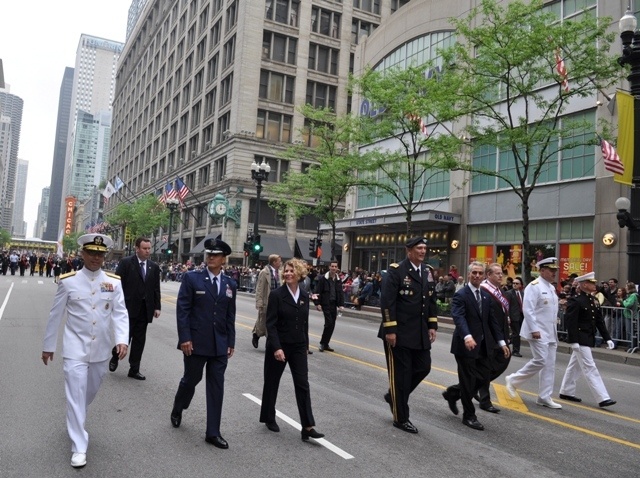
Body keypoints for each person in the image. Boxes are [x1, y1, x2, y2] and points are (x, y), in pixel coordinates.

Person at [41, 233, 129, 468]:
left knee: (87, 394)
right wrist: (49, 346)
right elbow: (55, 315)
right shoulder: (68, 281)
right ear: (82, 253)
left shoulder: (114, 282)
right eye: (91, 253)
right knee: (76, 395)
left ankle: (76, 415)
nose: (96, 258)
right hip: (74, 350)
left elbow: (120, 313)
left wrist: (122, 340)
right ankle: (79, 446)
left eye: (100, 254)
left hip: (100, 351)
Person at [170, 236, 236, 450]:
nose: (210, 257)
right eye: (209, 254)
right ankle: (179, 406)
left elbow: (229, 316)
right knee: (191, 379)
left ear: (224, 259)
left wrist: (231, 341)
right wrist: (185, 338)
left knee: (217, 387)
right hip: (196, 342)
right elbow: (183, 311)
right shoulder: (192, 278)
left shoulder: (230, 284)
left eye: (215, 255)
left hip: (219, 345)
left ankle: (213, 432)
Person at [259, 258, 325, 441]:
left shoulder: (304, 295)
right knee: (272, 382)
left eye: (291, 271)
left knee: (302, 384)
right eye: (285, 271)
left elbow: (304, 323)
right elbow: (270, 324)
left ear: (299, 274)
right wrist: (277, 348)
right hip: (279, 345)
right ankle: (268, 417)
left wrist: (305, 345)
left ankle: (308, 426)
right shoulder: (277, 295)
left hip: (297, 346)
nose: (287, 273)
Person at [379, 236, 438, 434]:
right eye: (419, 248)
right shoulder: (397, 271)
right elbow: (387, 302)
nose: (422, 251)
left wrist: (432, 325)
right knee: (401, 377)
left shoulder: (427, 272)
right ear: (409, 250)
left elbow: (431, 301)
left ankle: (394, 395)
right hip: (399, 333)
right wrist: (390, 330)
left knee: (423, 367)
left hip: (419, 332)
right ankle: (401, 418)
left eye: (424, 248)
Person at [442, 262, 509, 431]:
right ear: (469, 274)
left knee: (484, 376)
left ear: (484, 275)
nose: (477, 276)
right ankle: (469, 416)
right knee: (468, 380)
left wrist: (502, 342)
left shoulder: (485, 296)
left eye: (480, 273)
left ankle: (453, 393)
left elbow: (492, 321)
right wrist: (467, 336)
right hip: (465, 346)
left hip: (483, 346)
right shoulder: (461, 295)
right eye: (474, 273)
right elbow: (459, 317)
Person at [505, 257, 562, 409]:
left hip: (550, 332)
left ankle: (544, 396)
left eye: (555, 270)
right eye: (551, 270)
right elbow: (528, 309)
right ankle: (513, 380)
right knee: (541, 360)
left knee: (549, 365)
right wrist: (534, 329)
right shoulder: (534, 286)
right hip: (537, 331)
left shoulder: (550, 287)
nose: (554, 273)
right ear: (542, 271)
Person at [558, 272, 616, 408]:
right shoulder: (576, 300)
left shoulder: (593, 300)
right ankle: (603, 397)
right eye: (592, 283)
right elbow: (570, 322)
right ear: (585, 285)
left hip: (588, 338)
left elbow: (600, 322)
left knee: (574, 366)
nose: (595, 285)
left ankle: (566, 391)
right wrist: (573, 341)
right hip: (580, 338)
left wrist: (607, 338)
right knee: (590, 367)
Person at [110, 237, 161, 380]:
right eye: (144, 248)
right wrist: (116, 304)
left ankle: (134, 368)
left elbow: (156, 288)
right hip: (128, 308)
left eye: (149, 248)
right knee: (125, 337)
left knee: (139, 340)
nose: (147, 251)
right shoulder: (126, 263)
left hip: (145, 310)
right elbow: (117, 284)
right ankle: (115, 356)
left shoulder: (153, 267)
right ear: (137, 248)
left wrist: (157, 306)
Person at [252, 254, 282, 349]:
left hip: (277, 302)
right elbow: (260, 288)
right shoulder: (264, 272)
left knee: (273, 323)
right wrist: (259, 302)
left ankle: (270, 344)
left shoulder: (280, 273)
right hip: (267, 301)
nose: (280, 263)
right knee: (263, 322)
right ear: (274, 262)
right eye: (279, 261)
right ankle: (256, 335)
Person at [315, 260, 344, 352]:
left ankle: (326, 343)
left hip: (334, 304)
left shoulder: (338, 280)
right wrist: (317, 304)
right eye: (332, 266)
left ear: (337, 268)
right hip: (325, 304)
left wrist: (341, 305)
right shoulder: (323, 279)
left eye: (335, 266)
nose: (334, 268)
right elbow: (317, 292)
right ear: (329, 267)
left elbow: (340, 293)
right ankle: (322, 343)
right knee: (328, 323)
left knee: (332, 325)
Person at [505, 276, 525, 357]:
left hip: (521, 316)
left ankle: (509, 340)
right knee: (516, 334)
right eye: (513, 283)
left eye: (517, 283)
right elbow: (506, 306)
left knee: (517, 333)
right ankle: (515, 351)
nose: (515, 285)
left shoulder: (522, 293)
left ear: (520, 285)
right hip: (513, 316)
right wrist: (508, 316)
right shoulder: (509, 293)